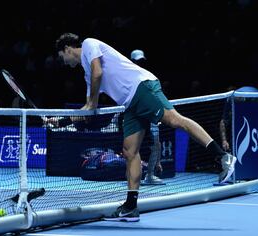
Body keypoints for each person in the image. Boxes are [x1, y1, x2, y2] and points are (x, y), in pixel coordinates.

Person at [54, 33, 237, 222]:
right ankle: (131, 206)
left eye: (62, 57)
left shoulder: (89, 44)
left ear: (68, 48)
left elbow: (98, 73)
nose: (65, 63)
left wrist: (92, 102)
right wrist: (59, 121)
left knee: (175, 120)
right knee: (129, 151)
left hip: (141, 87)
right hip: (130, 104)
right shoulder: (87, 74)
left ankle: (224, 157)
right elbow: (87, 110)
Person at [131, 49, 164, 185]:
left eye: (142, 61)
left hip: (150, 115)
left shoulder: (148, 75)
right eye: (138, 61)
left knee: (156, 145)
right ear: (132, 61)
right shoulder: (130, 76)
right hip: (136, 115)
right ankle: (133, 176)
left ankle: (149, 175)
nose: (140, 64)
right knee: (133, 147)